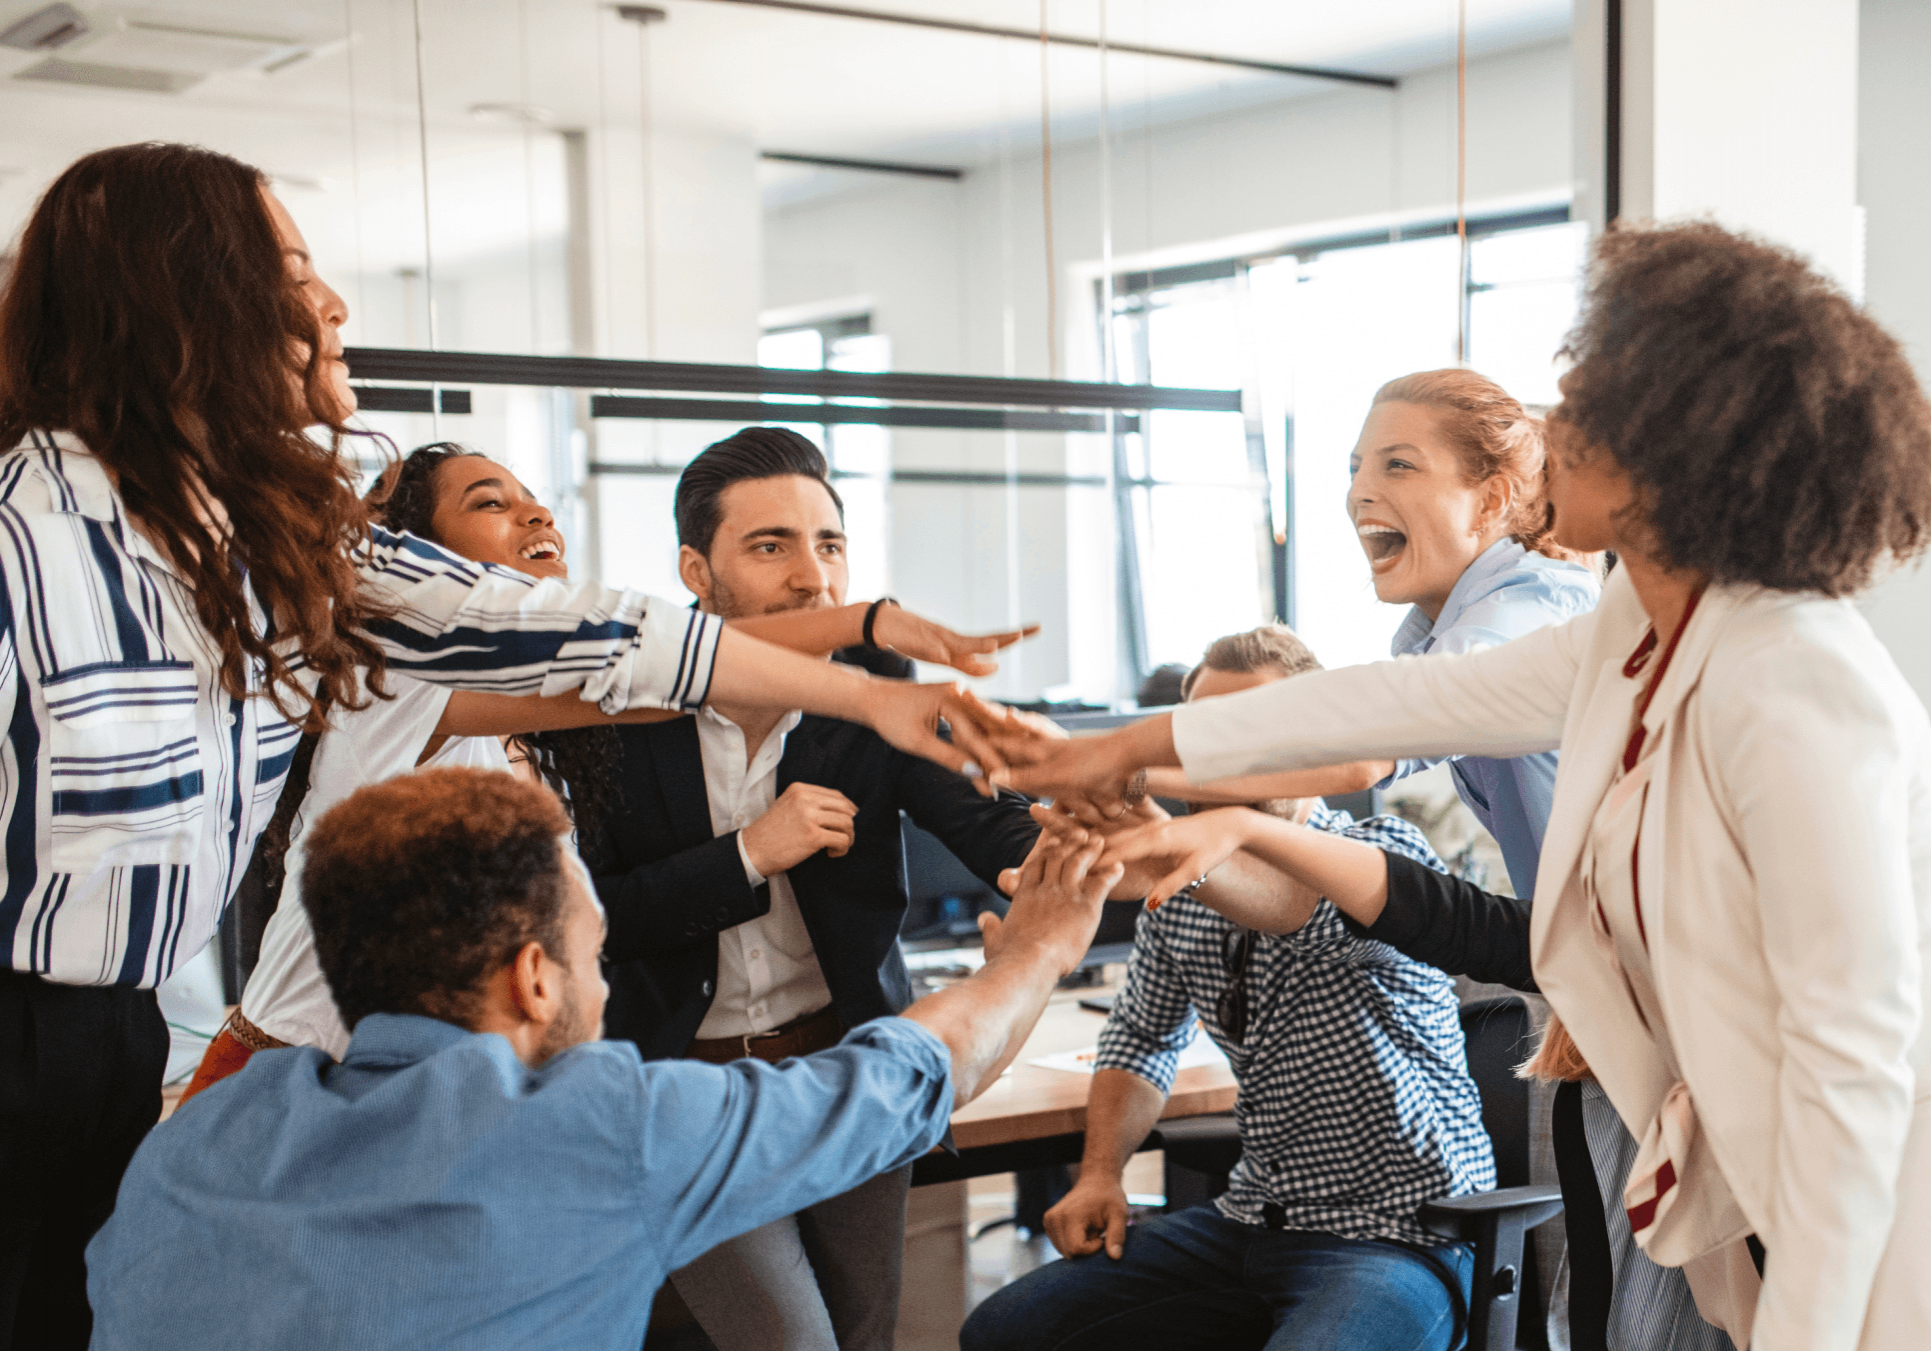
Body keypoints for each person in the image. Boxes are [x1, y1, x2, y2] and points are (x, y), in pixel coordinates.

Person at [0, 142, 1034, 1350]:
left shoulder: (286, 550)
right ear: (183, 301)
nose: (332, 304)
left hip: (137, 1042)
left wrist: (865, 678)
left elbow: (589, 638)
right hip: (235, 1064)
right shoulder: (31, 534)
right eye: (289, 272)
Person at [996, 221, 1931, 1350]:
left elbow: (1855, 1065)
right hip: (1706, 1148)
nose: (1545, 433)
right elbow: (1399, 702)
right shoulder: (1635, 629)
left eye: (1576, 405)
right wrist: (1119, 747)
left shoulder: (1793, 683)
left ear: (1672, 441)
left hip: (1841, 1212)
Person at [83, 765, 1122, 1350]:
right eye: (593, 953)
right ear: (534, 980)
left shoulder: (198, 1137)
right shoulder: (593, 1126)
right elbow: (897, 1079)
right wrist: (1039, 945)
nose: (608, 982)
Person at [177, 441, 1021, 1084]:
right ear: (424, 562)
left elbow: (683, 666)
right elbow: (684, 659)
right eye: (491, 504)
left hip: (449, 1083)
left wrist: (865, 642)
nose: (537, 517)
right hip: (305, 1074)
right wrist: (863, 627)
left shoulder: (544, 731)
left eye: (538, 503)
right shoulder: (397, 681)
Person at [582, 426, 1084, 1351]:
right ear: (697, 571)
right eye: (771, 546)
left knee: (862, 1332)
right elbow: (594, 920)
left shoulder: (871, 692)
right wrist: (749, 852)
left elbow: (984, 818)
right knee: (789, 1340)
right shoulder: (614, 710)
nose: (813, 577)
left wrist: (1046, 859)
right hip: (684, 1086)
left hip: (843, 1063)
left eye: (829, 543)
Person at [960, 623, 1495, 1351]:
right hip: (1251, 1219)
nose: (1216, 764)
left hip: (1400, 1234)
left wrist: (1161, 832)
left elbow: (1289, 909)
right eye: (1203, 739)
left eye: (1250, 735)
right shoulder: (1181, 893)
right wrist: (1098, 1176)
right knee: (1005, 1330)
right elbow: (1143, 1036)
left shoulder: (1382, 856)